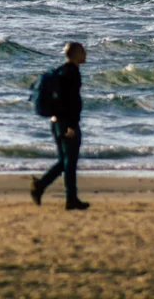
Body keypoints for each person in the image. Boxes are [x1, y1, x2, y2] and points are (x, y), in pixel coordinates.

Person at [30, 42, 90, 210]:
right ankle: (69, 198)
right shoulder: (72, 73)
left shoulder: (62, 71)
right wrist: (71, 125)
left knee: (65, 161)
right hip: (66, 123)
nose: (86, 54)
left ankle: (41, 186)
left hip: (56, 121)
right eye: (83, 51)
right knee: (69, 162)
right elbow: (70, 102)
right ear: (75, 54)